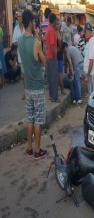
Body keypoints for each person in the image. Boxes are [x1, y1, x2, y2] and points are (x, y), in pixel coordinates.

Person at [18, 9, 47, 159]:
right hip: (37, 87)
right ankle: (37, 151)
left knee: (29, 118)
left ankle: (29, 149)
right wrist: (40, 43)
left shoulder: (20, 41)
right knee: (38, 120)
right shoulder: (36, 43)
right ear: (30, 23)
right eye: (34, 21)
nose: (35, 23)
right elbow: (44, 62)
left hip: (27, 86)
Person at [46, 13, 59, 102]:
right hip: (51, 57)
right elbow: (52, 45)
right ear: (54, 21)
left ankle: (51, 95)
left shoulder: (49, 29)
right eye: (57, 20)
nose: (57, 22)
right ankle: (55, 97)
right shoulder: (51, 30)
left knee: (50, 77)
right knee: (54, 78)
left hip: (48, 56)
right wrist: (55, 57)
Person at [84, 23, 94, 95]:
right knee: (92, 90)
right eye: (85, 32)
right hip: (92, 71)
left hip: (91, 72)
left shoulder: (92, 43)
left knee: (92, 93)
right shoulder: (92, 40)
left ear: (89, 32)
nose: (85, 34)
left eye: (86, 32)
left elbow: (91, 61)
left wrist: (87, 75)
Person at [13, 10, 25, 99]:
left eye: (20, 16)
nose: (18, 18)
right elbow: (14, 42)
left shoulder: (26, 27)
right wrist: (20, 43)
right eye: (17, 17)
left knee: (29, 75)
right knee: (24, 75)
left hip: (28, 55)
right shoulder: (16, 29)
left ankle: (30, 92)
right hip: (20, 56)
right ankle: (26, 92)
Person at [56, 21, 65, 96]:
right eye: (57, 24)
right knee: (60, 75)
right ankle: (61, 90)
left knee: (59, 74)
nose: (58, 25)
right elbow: (59, 47)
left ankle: (61, 89)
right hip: (58, 57)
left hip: (59, 57)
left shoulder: (58, 34)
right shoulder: (57, 34)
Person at [0, 23, 6, 88]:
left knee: (1, 64)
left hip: (0, 47)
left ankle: (2, 83)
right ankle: (3, 83)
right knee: (2, 64)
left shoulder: (0, 29)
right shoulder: (1, 29)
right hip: (0, 47)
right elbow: (1, 40)